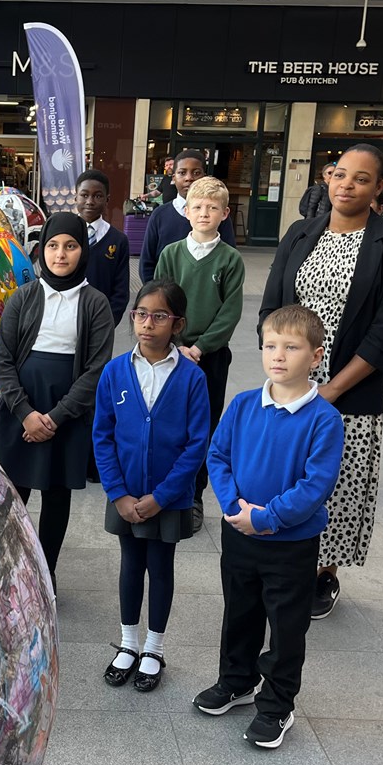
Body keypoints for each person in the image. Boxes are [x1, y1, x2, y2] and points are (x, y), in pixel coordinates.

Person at [259, 143, 383, 620]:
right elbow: (271, 307)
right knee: (286, 475)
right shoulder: (300, 232)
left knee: (338, 482)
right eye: (340, 174)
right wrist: (282, 364)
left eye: (361, 178)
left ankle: (324, 573)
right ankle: (287, 562)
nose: (347, 185)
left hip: (349, 391)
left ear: (379, 188)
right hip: (289, 386)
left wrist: (328, 391)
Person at [196, 305, 344, 748]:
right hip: (239, 534)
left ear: (315, 356)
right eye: (269, 345)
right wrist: (233, 505)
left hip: (290, 544)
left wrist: (265, 518)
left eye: (291, 347)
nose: (277, 355)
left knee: (286, 625)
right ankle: (236, 681)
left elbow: (315, 485)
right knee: (239, 613)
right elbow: (218, 456)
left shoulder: (323, 419)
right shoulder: (243, 405)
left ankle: (278, 704)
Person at [94, 280, 210, 693]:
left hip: (169, 498)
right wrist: (118, 493)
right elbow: (102, 435)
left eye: (159, 316)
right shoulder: (115, 371)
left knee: (160, 568)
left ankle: (154, 649)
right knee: (130, 563)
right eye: (141, 314)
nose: (147, 323)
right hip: (124, 493)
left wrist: (161, 497)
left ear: (177, 324)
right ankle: (127, 643)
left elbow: (198, 443)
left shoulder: (192, 378)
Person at [0, 212, 115, 591]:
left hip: (66, 411)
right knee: (13, 495)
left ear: (83, 251)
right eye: (53, 246)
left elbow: (95, 370)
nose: (60, 254)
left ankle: (46, 575)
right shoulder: (24, 297)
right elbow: (4, 359)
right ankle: (6, 570)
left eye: (71, 246)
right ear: (42, 249)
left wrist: (55, 418)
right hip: (21, 408)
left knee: (57, 496)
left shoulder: (95, 304)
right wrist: (27, 414)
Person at [154, 177, 246, 526]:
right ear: (187, 211)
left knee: (201, 428)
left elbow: (230, 311)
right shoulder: (171, 254)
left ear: (224, 213)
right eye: (197, 207)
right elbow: (158, 301)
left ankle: (193, 496)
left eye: (212, 208)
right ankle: (165, 491)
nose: (204, 213)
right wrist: (176, 344)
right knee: (166, 421)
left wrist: (200, 347)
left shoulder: (230, 260)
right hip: (169, 353)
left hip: (210, 357)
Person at [139, 150, 235, 283]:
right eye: (182, 173)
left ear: (204, 176)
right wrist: (155, 295)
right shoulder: (159, 215)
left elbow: (229, 261)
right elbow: (147, 262)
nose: (189, 178)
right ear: (173, 178)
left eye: (196, 173)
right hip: (165, 297)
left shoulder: (217, 215)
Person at [74, 168, 130, 326]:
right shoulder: (64, 235)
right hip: (65, 320)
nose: (90, 201)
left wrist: (108, 323)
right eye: (84, 195)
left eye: (97, 196)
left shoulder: (118, 240)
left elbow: (121, 291)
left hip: (101, 321)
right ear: (75, 197)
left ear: (107, 200)